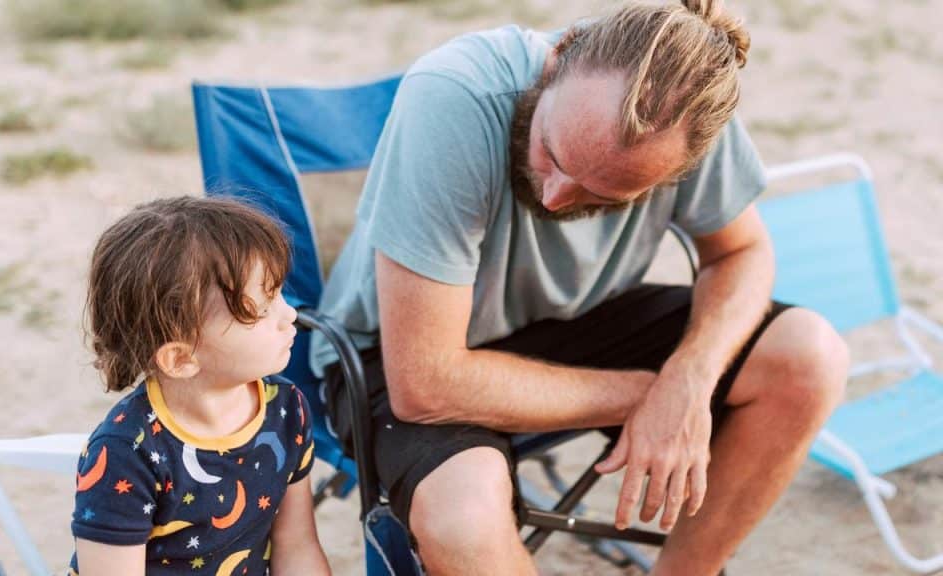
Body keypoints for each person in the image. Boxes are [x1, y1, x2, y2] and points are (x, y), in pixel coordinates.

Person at [313, 1, 850, 574]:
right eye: (552, 152)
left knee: (808, 358)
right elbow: (424, 385)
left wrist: (690, 381)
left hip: (578, 318)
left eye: (603, 197)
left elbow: (741, 252)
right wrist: (656, 395)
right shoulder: (455, 94)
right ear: (558, 58)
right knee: (461, 515)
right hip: (405, 353)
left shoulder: (689, 117)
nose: (553, 197)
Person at [69, 197, 330, 576]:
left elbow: (298, 547)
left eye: (278, 294)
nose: (288, 315)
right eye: (261, 309)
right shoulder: (127, 454)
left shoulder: (285, 408)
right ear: (180, 358)